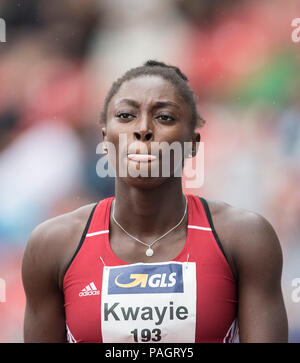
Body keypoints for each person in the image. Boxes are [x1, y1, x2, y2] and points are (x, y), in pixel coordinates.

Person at [22, 60, 288, 343]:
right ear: (105, 138)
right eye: (126, 115)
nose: (143, 129)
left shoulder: (245, 238)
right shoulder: (52, 245)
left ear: (192, 143)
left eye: (165, 117)